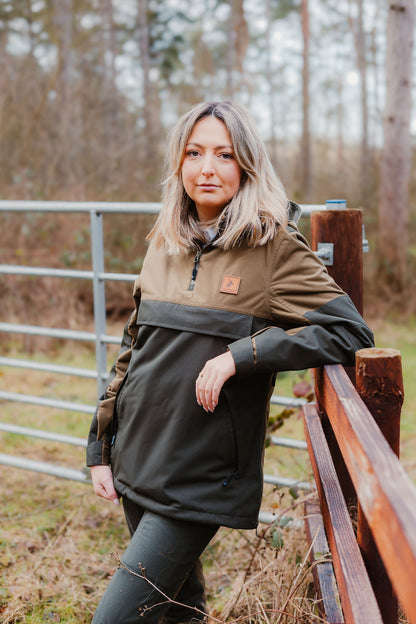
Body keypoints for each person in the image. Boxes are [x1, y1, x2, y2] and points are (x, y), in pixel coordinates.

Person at [86, 101, 374, 624]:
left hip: (201, 473)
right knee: (178, 609)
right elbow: (134, 350)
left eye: (223, 154)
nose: (207, 167)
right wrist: (100, 443)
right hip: (137, 455)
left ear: (246, 165)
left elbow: (349, 331)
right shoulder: (164, 241)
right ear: (179, 164)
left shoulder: (273, 249)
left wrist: (243, 355)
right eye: (194, 153)